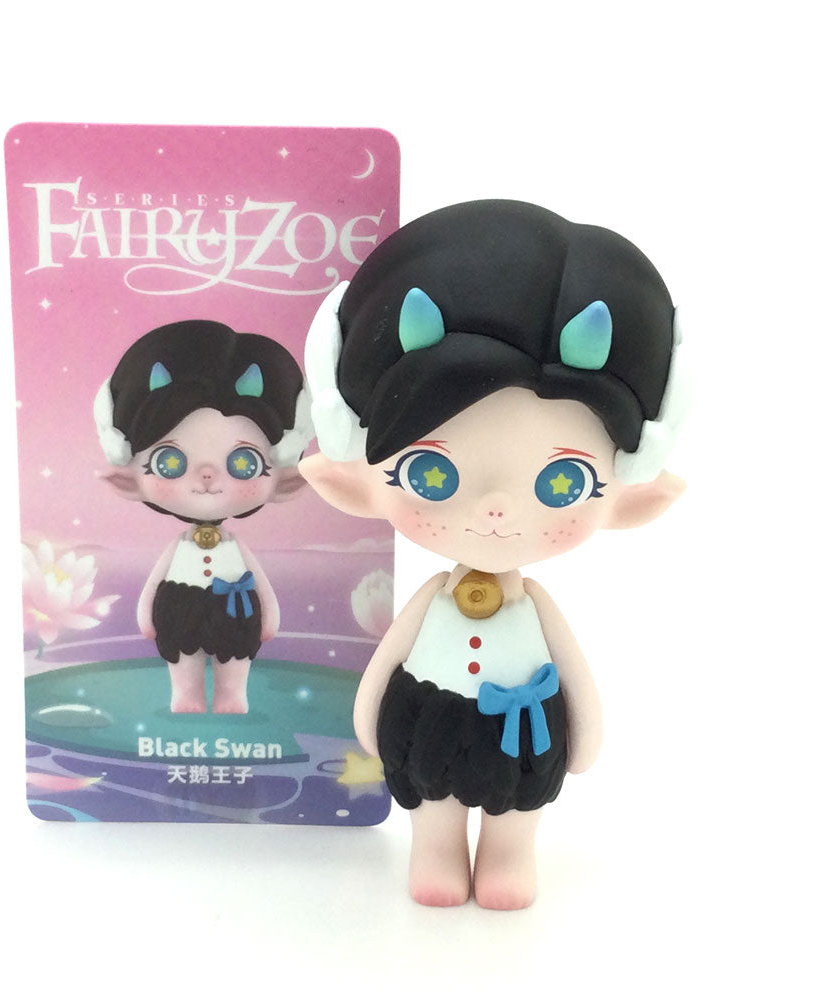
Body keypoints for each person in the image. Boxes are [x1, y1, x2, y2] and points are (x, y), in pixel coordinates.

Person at [300, 200, 689, 908]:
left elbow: (570, 667)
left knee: (518, 809)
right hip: (429, 714)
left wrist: (585, 738)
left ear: (633, 499)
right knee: (431, 802)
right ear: (351, 481)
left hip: (524, 725)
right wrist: (371, 724)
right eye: (430, 474)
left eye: (564, 483)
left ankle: (509, 856)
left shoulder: (535, 605)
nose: (496, 509)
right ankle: (436, 850)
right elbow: (393, 655)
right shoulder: (432, 600)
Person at [95, 320, 311, 713]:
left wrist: (269, 619)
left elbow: (260, 583)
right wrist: (147, 615)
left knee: (235, 667)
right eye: (170, 461)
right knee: (182, 665)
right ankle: (185, 699)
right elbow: (156, 581)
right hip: (180, 605)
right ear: (128, 477)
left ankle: (233, 699)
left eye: (243, 462)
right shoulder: (178, 546)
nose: (208, 477)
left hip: (236, 607)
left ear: (284, 481)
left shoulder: (234, 545)